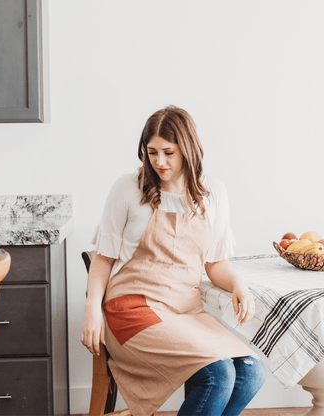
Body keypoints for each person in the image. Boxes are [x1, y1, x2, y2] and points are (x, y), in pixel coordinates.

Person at [81, 106, 266, 416]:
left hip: (184, 310)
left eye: (168, 152)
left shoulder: (212, 193)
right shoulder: (129, 187)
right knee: (218, 375)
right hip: (132, 310)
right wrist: (91, 310)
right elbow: (103, 257)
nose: (159, 161)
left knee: (250, 372)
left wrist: (238, 285)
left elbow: (215, 263)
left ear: (188, 150)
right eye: (151, 152)